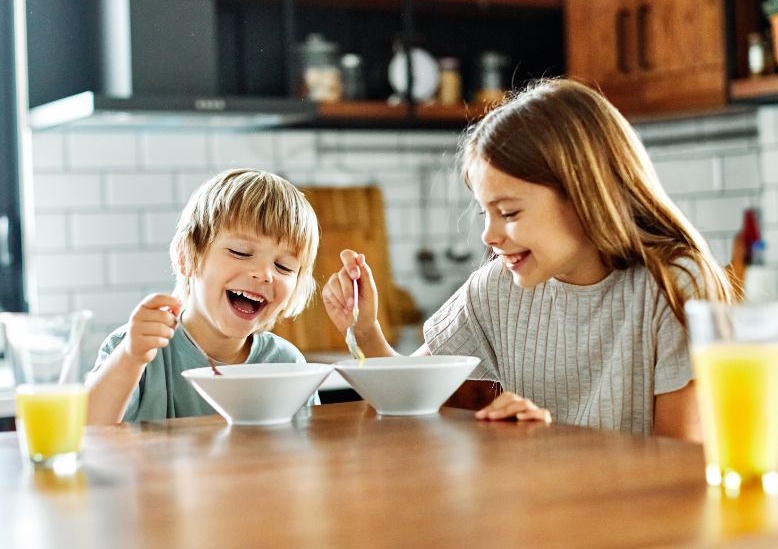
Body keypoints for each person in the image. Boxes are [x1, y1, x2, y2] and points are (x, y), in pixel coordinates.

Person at [322, 78, 730, 441]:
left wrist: (548, 445)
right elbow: (406, 397)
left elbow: (682, 468)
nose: (489, 235)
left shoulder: (674, 284)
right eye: (485, 212)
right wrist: (367, 330)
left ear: (584, 196)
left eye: (510, 213)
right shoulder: (497, 287)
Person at [87, 169, 320, 424]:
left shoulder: (287, 365)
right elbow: (86, 432)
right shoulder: (136, 348)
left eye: (284, 266)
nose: (265, 274)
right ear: (186, 257)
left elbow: (308, 449)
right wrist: (131, 358)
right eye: (240, 252)